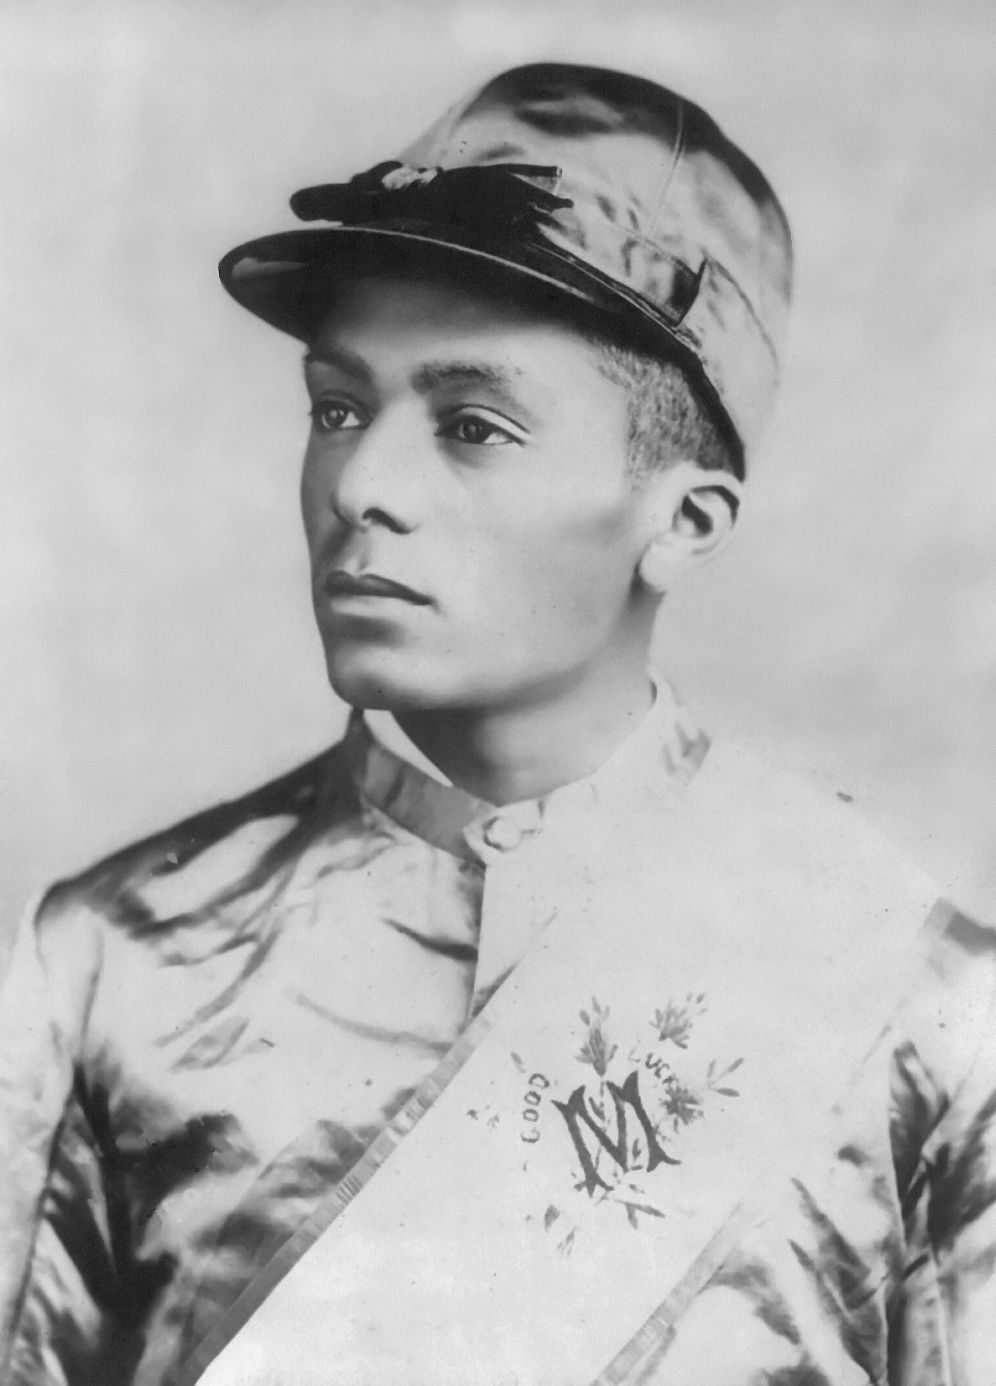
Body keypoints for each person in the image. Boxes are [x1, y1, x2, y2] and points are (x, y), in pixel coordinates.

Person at [1, 61, 994, 1386]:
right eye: (337, 408)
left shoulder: (916, 1005)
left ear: (683, 521)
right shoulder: (117, 960)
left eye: (472, 426)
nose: (361, 482)